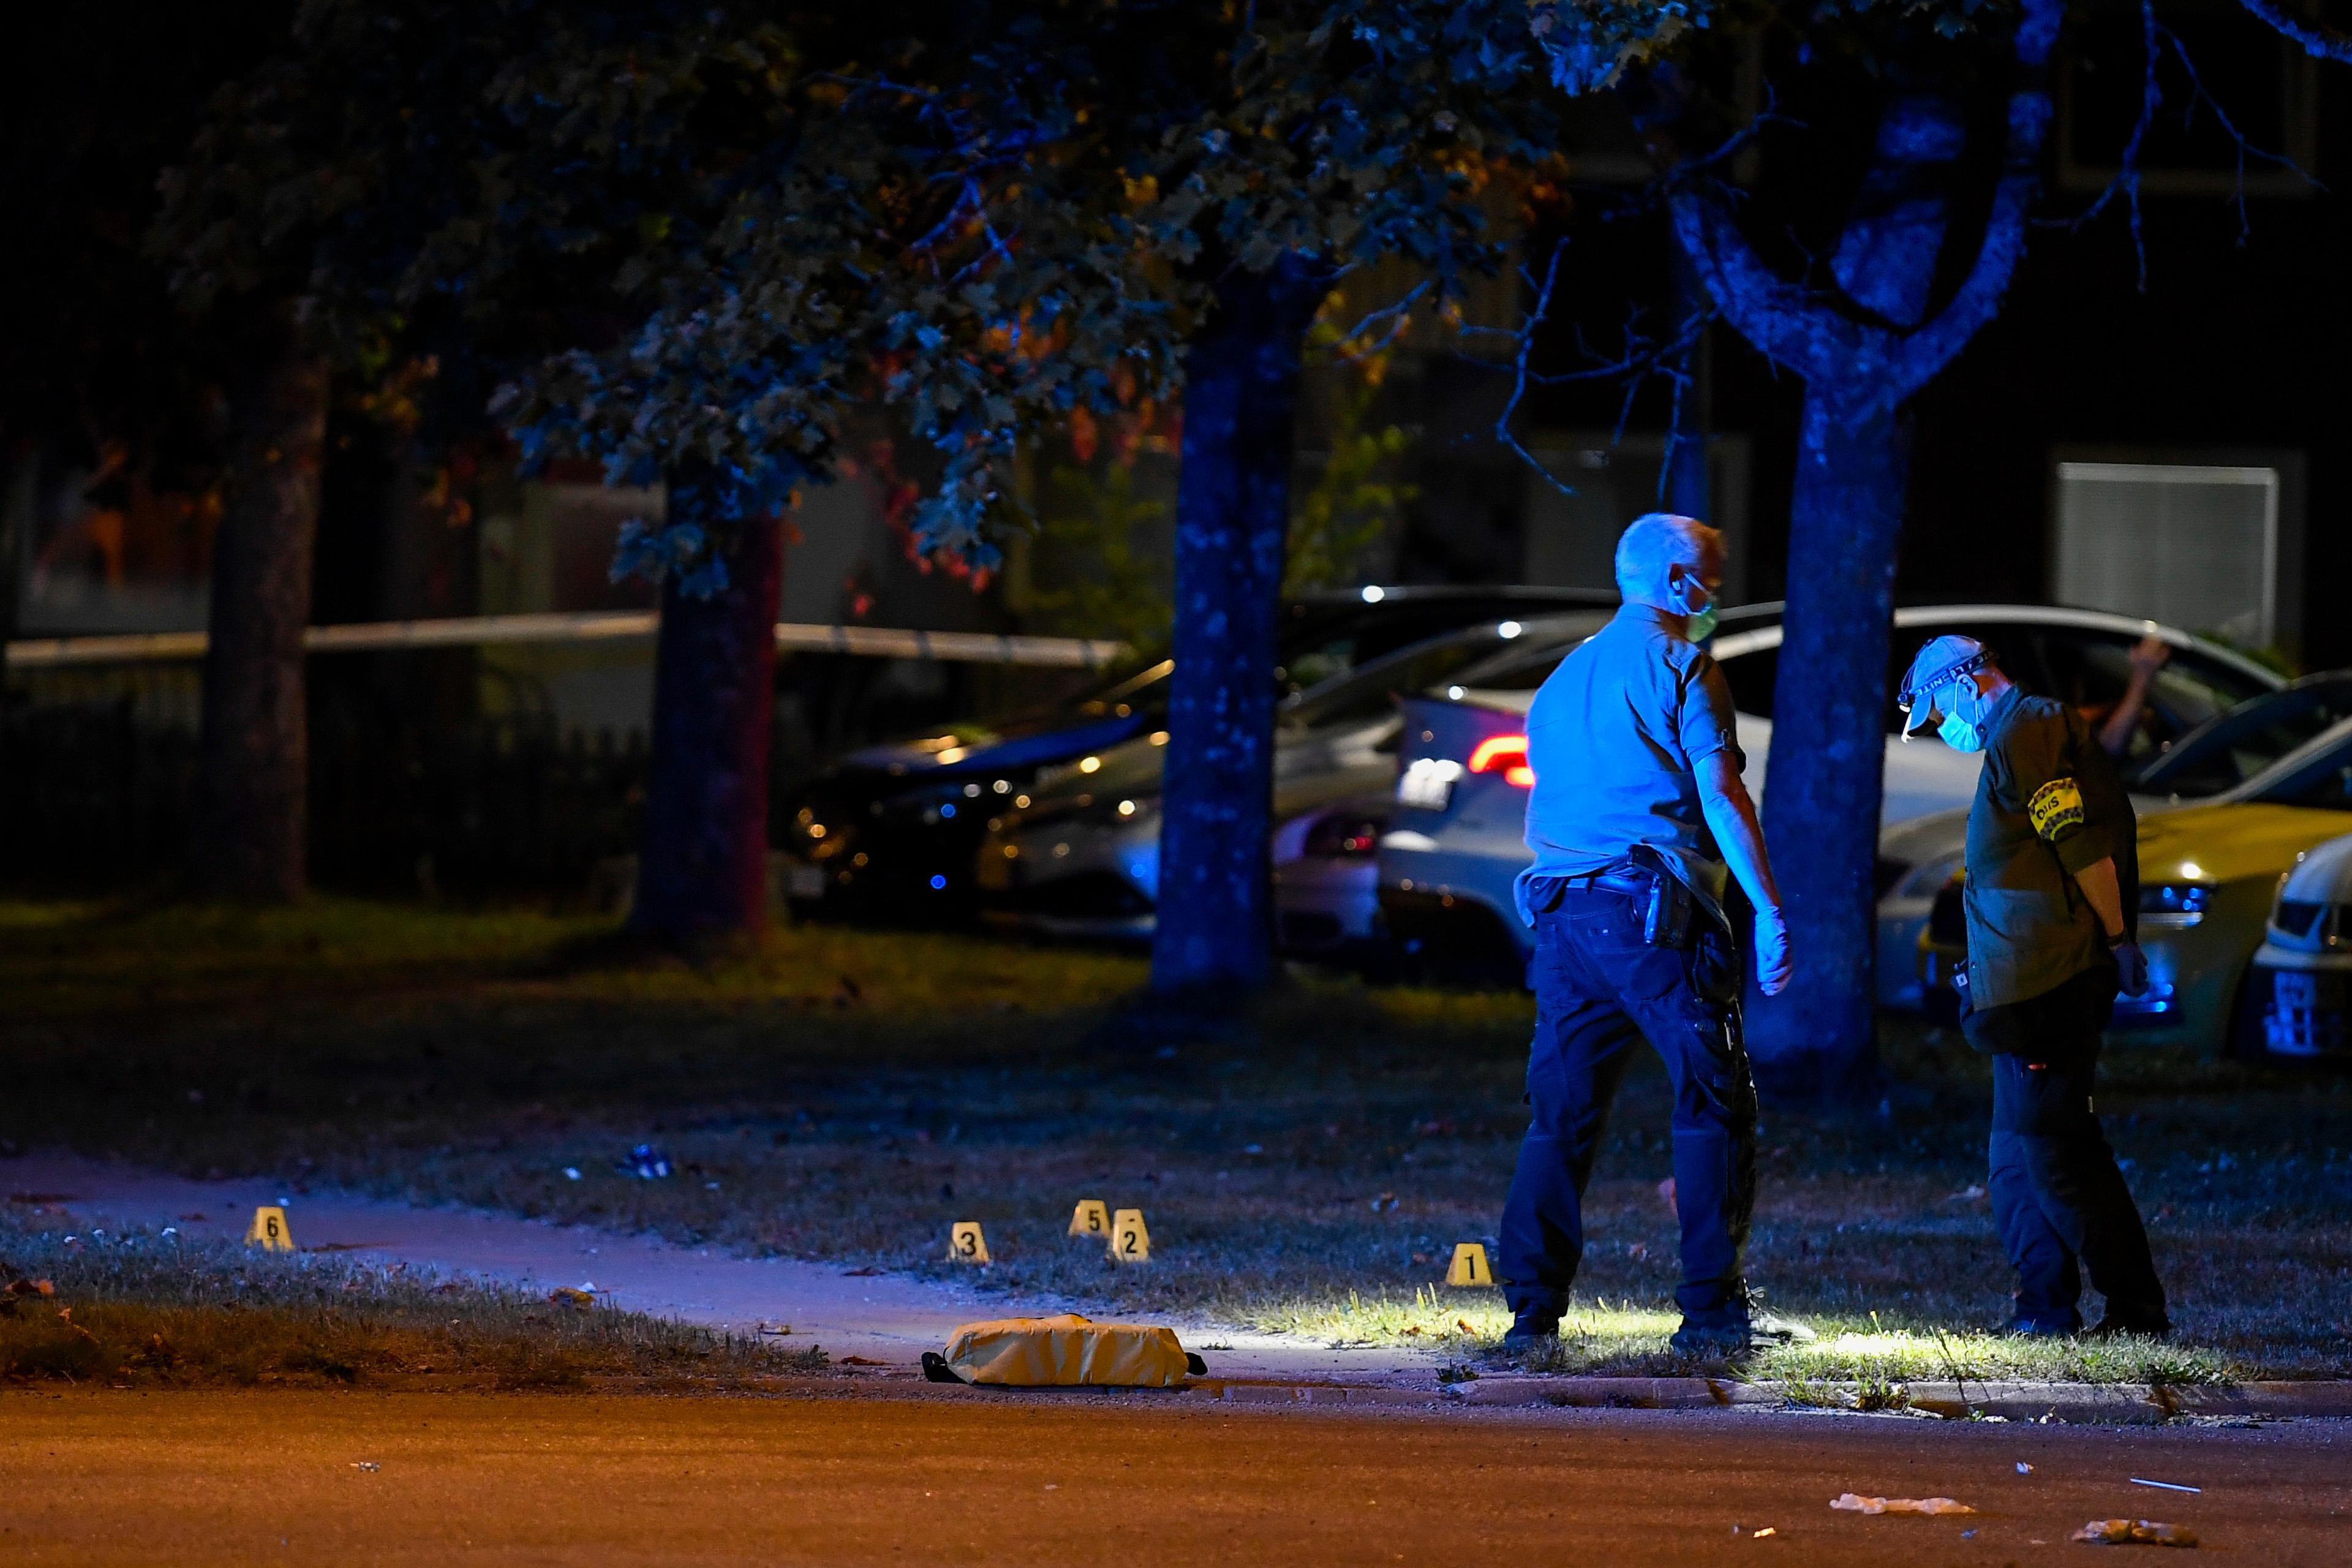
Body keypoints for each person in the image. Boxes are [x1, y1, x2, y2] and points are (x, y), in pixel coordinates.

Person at [1499, 513, 1804, 1356]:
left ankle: (1531, 1312)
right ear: (1677, 581)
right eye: (1713, 575)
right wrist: (1770, 910)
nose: (1717, 594)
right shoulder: (1684, 666)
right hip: (1655, 917)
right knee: (1712, 1104)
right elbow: (1723, 798)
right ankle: (1711, 1312)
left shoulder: (1562, 680)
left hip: (1563, 921)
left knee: (1559, 1119)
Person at [1898, 635, 2171, 1338]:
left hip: (2051, 980)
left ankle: (2135, 1309)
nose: (1940, 727)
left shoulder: (2029, 730)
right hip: (2019, 984)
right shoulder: (2016, 737)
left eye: (1936, 710)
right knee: (2014, 1158)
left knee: (2055, 1150)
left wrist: (2117, 939)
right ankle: (2042, 1308)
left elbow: (2078, 844)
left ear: (1967, 682)